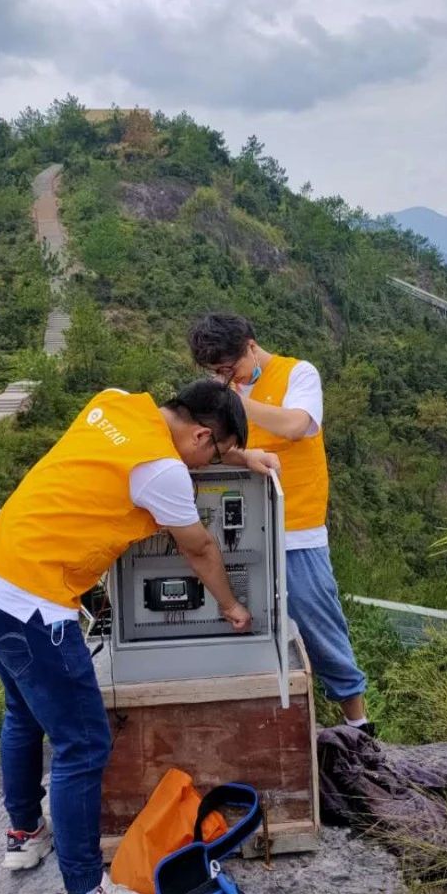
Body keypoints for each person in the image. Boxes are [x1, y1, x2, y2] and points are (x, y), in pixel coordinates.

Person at [0, 380, 258, 894]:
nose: (206, 467)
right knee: (83, 743)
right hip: (35, 605)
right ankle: (85, 886)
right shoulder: (164, 470)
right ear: (200, 436)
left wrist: (245, 456)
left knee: (22, 713)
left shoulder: (114, 401)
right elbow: (201, 549)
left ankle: (24, 833)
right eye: (216, 455)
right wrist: (233, 607)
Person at [187, 314, 373, 736]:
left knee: (318, 621)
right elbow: (220, 450)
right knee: (243, 620)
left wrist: (235, 404)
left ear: (250, 347)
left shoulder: (298, 373)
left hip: (298, 528)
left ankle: (358, 722)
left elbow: (296, 425)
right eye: (215, 372)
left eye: (227, 368)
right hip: (243, 527)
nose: (223, 377)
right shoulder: (227, 387)